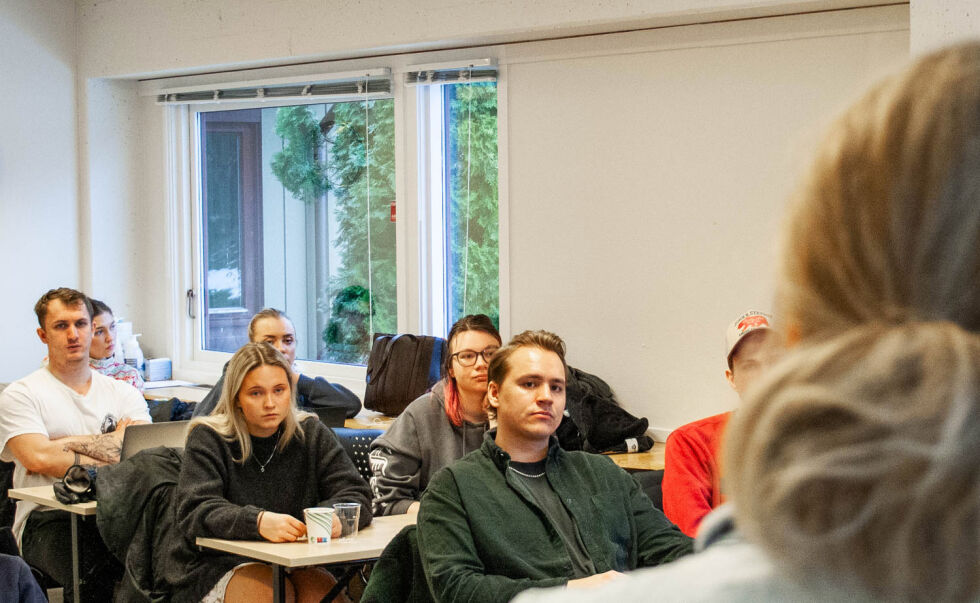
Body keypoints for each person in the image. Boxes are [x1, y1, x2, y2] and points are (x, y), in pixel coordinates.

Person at [513, 41, 980, 603]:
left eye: (555, 385)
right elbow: (685, 535)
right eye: (749, 363)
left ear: (805, 344)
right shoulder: (694, 442)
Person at [416, 330, 692, 603]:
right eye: (530, 384)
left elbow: (669, 548)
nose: (546, 396)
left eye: (556, 387)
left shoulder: (604, 473)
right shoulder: (453, 487)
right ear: (495, 393)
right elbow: (457, 589)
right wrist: (572, 590)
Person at [172, 342, 373, 602]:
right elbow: (195, 508)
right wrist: (256, 522)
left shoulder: (310, 432)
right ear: (236, 398)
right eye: (256, 393)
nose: (270, 403)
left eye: (279, 390)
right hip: (218, 561)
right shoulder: (210, 436)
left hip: (298, 559)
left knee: (322, 592)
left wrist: (336, 517)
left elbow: (356, 493)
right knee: (272, 594)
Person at [0, 288, 152, 602]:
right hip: (45, 519)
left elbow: (142, 455)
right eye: (61, 326)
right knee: (94, 569)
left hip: (116, 510)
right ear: (43, 335)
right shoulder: (21, 394)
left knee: (161, 563)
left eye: (81, 324)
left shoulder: (122, 392)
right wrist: (112, 443)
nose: (73, 334)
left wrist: (63, 444)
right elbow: (38, 459)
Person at [369, 314, 500, 515]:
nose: (481, 363)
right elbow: (389, 502)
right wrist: (446, 516)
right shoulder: (420, 415)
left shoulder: (517, 414)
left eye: (490, 354)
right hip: (440, 531)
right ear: (451, 369)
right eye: (467, 356)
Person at [662, 310, 778, 536]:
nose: (764, 375)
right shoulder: (690, 443)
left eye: (773, 361)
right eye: (750, 365)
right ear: (731, 378)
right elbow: (693, 538)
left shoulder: (818, 440)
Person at [193, 308, 361, 419]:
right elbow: (200, 421)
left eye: (288, 340)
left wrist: (295, 380)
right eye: (269, 342)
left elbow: (351, 406)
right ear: (252, 346)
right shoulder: (235, 375)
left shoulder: (298, 384)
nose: (281, 349)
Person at [88, 298, 145, 391]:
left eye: (112, 327)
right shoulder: (74, 377)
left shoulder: (130, 375)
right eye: (99, 332)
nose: (110, 338)